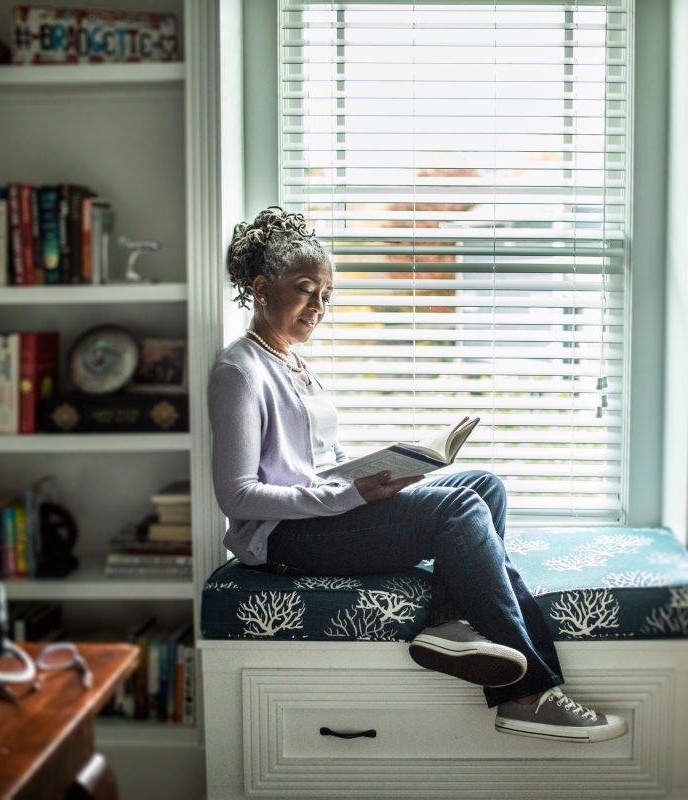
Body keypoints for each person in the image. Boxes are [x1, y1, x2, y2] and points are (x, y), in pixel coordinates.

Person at [208, 207, 627, 743]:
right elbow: (238, 496)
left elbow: (314, 466)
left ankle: (450, 624)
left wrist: (379, 474)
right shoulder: (239, 370)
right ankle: (529, 695)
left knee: (483, 486)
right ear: (263, 289)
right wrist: (349, 497)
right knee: (457, 508)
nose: (319, 306)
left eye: (327, 295)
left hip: (322, 513)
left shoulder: (293, 362)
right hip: (282, 539)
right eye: (306, 289)